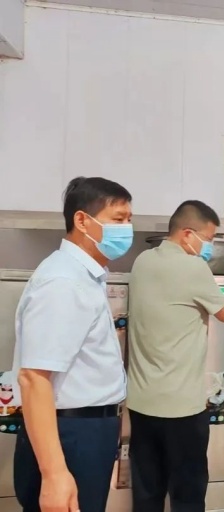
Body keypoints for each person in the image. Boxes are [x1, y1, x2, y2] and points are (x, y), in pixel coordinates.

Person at [11, 176, 134, 512]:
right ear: (82, 220)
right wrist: (54, 475)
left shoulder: (84, 276)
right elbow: (34, 378)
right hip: (70, 434)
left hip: (85, 431)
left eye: (129, 219)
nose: (127, 229)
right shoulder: (63, 282)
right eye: (118, 219)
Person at [126, 199, 224, 512]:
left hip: (142, 404)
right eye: (209, 239)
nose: (209, 247)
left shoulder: (142, 261)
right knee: (187, 494)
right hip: (182, 408)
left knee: (147, 493)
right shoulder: (194, 268)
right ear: (188, 234)